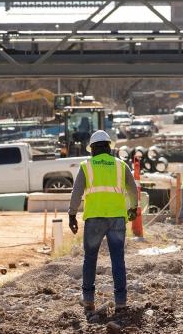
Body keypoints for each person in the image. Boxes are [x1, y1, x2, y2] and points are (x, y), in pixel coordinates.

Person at [68, 130, 139, 316]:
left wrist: (72, 214)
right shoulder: (120, 165)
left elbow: (76, 192)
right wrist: (133, 208)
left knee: (90, 259)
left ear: (92, 148)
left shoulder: (86, 166)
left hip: (94, 218)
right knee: (118, 259)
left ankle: (89, 300)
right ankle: (121, 302)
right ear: (109, 146)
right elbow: (132, 189)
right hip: (117, 218)